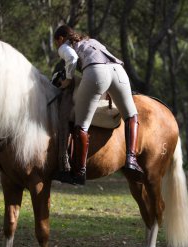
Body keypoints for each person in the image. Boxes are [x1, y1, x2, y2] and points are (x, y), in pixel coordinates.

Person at [53, 25, 143, 185]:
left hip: (97, 72)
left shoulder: (65, 46)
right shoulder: (91, 40)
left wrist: (67, 79)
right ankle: (131, 158)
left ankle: (78, 173)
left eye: (56, 43)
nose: (57, 47)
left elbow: (72, 58)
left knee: (81, 125)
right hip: (119, 71)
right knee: (131, 115)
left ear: (60, 39)